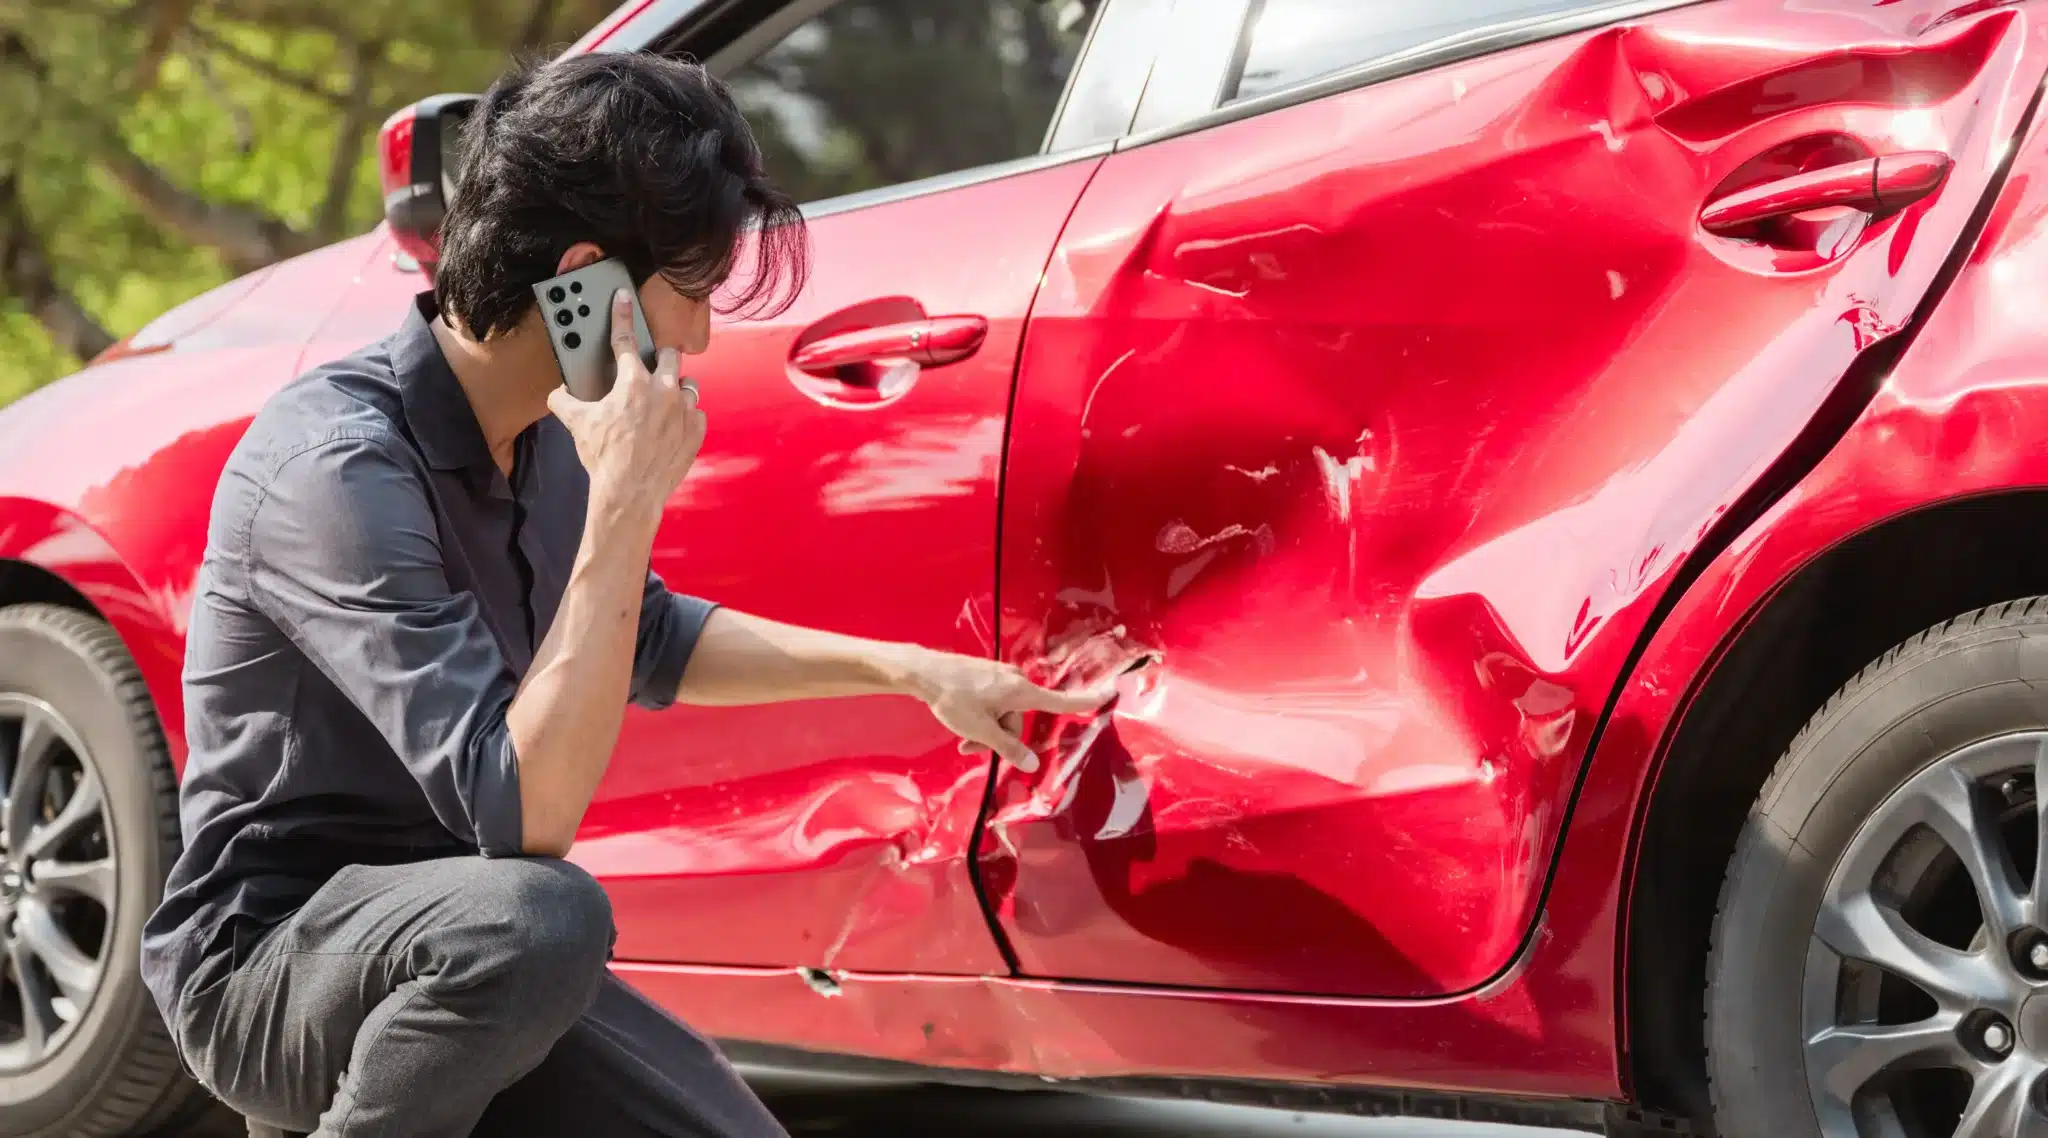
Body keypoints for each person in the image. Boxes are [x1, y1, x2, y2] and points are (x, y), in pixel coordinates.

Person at [138, 50, 1109, 1138]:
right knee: (548, 917)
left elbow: (648, 633)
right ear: (585, 280)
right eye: (686, 294)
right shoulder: (337, 468)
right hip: (272, 966)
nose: (694, 338)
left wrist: (909, 671)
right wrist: (625, 500)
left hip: (459, 946)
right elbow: (524, 813)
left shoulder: (540, 440)